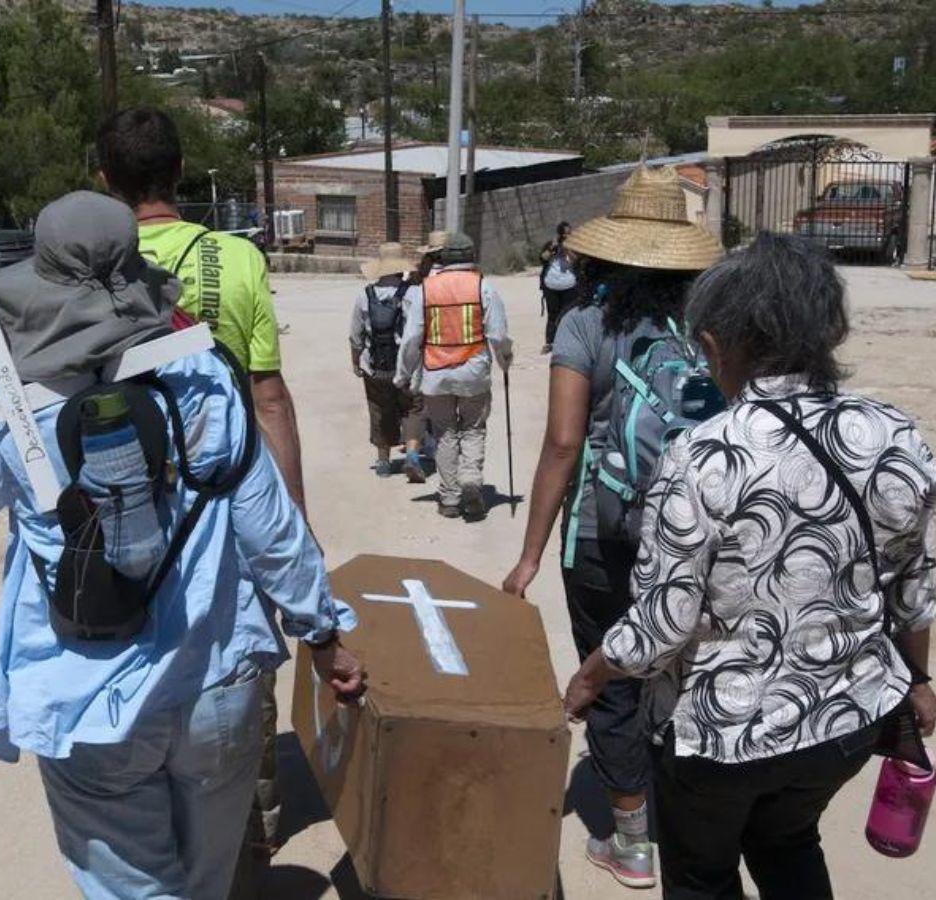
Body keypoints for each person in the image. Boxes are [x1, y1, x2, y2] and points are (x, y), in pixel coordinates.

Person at [0, 191, 364, 900]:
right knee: (208, 881)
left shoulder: (12, 393)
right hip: (213, 684)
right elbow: (271, 528)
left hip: (84, 700)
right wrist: (322, 634)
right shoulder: (201, 372)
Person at [564, 233, 936, 900]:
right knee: (789, 841)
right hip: (846, 721)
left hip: (720, 736)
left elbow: (665, 619)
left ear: (715, 343)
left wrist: (594, 672)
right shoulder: (894, 434)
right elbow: (913, 589)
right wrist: (918, 679)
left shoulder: (705, 455)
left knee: (703, 875)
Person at [503, 166, 723, 890]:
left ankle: (631, 840)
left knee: (611, 678)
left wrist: (531, 554)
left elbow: (563, 444)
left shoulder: (585, 326)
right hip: (697, 536)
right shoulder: (712, 331)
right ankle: (691, 818)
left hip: (602, 538)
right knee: (683, 671)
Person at [95, 108, 300, 875]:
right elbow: (268, 395)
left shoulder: (90, 266)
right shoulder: (235, 259)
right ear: (181, 174)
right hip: (227, 497)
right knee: (240, 657)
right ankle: (253, 825)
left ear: (105, 181)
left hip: (121, 506)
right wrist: (293, 522)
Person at [396, 231, 512, 521]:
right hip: (473, 371)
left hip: (436, 374)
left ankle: (448, 498)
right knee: (473, 428)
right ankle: (471, 479)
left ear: (443, 258)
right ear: (472, 257)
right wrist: (505, 361)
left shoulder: (426, 289)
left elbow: (411, 338)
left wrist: (404, 374)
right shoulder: (483, 287)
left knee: (445, 432)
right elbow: (498, 335)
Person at [351, 242, 427, 482]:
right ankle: (412, 456)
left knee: (379, 409)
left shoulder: (365, 295)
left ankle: (383, 461)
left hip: (375, 366)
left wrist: (356, 361)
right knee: (413, 408)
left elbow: (356, 335)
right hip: (407, 366)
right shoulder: (414, 293)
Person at [539, 221, 576, 354]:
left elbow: (578, 260)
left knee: (569, 314)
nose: (567, 236)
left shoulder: (575, 245)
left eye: (569, 233)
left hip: (569, 285)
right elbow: (542, 258)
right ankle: (550, 342)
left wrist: (568, 250)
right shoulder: (551, 245)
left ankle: (569, 340)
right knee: (553, 314)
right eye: (565, 234)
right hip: (552, 286)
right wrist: (552, 249)